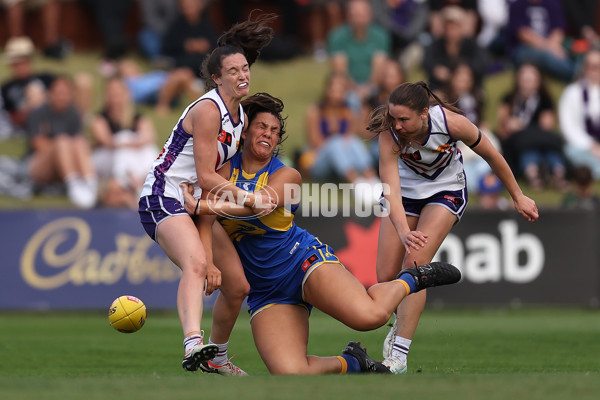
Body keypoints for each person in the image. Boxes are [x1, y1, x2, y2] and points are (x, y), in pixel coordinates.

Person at [180, 92, 462, 375]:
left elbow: (259, 207)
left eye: (275, 131)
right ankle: (353, 362)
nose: (268, 134)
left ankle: (414, 278)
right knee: (290, 373)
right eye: (262, 127)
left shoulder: (288, 175)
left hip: (303, 263)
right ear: (246, 130)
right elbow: (206, 222)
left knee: (373, 317)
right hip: (266, 291)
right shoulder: (222, 172)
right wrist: (210, 261)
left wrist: (204, 205)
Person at [366, 81, 539, 374]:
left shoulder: (451, 123)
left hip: (444, 191)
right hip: (404, 196)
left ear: (424, 113)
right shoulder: (389, 136)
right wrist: (403, 232)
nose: (397, 125)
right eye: (393, 118)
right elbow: (391, 192)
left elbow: (492, 155)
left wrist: (518, 195)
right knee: (386, 277)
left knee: (414, 265)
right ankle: (402, 321)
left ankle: (398, 357)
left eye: (403, 119)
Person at [137, 13, 277, 374]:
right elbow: (204, 176)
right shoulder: (207, 109)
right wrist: (249, 199)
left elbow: (205, 199)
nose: (243, 75)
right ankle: (192, 345)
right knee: (195, 265)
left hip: (192, 203)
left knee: (236, 285)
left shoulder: (241, 119)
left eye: (245, 68)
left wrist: (211, 258)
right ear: (216, 77)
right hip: (161, 196)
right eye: (233, 71)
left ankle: (216, 356)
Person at [301, 72, 380, 205]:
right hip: (319, 160)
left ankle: (371, 178)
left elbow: (350, 137)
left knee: (354, 141)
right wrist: (336, 140)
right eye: (334, 89)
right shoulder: (315, 111)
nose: (337, 94)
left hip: (341, 160)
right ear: (327, 90)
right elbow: (315, 141)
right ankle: (356, 183)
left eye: (341, 90)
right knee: (335, 142)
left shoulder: (349, 112)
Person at [25, 75, 98, 208]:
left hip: (64, 165)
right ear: (50, 94)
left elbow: (78, 145)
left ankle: (90, 183)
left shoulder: (73, 114)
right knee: (62, 141)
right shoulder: (38, 112)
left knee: (79, 142)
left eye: (65, 93)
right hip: (38, 166)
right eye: (58, 93)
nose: (62, 97)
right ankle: (73, 185)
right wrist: (61, 148)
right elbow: (37, 143)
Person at [497, 62, 567, 190]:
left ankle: (558, 173)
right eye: (524, 78)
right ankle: (533, 174)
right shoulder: (509, 98)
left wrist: (521, 125)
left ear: (539, 81)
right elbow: (503, 123)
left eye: (531, 78)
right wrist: (509, 124)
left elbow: (547, 126)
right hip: (519, 144)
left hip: (540, 140)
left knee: (547, 149)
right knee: (528, 151)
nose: (527, 82)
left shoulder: (545, 100)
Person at [91, 76, 158, 209]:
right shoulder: (100, 117)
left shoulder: (137, 117)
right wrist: (128, 142)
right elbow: (105, 141)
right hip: (105, 158)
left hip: (129, 162)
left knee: (149, 149)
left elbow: (149, 136)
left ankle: (133, 183)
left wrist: (130, 143)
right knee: (123, 137)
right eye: (112, 93)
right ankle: (134, 186)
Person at [327, 0, 391, 112]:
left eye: (362, 15)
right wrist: (356, 89)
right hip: (348, 87)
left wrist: (368, 88)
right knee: (352, 99)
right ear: (348, 16)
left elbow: (379, 68)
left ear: (370, 15)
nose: (359, 19)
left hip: (374, 85)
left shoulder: (381, 36)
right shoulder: (337, 36)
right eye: (355, 15)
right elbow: (340, 71)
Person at [558, 49, 600, 180]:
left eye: (597, 67)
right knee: (574, 153)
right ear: (584, 68)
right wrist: (590, 145)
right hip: (581, 147)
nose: (593, 71)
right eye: (590, 66)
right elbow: (568, 128)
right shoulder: (572, 92)